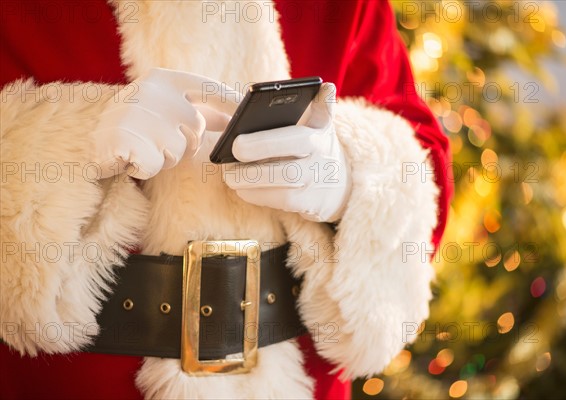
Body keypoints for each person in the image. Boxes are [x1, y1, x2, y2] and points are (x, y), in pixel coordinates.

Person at [0, 0, 452, 398]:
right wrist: (70, 144)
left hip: (303, 377)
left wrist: (350, 181)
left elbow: (415, 141)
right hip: (67, 378)